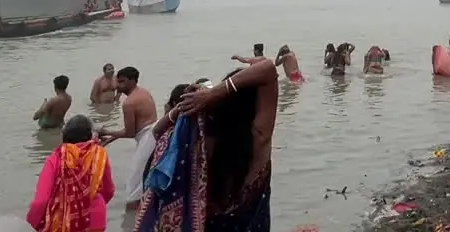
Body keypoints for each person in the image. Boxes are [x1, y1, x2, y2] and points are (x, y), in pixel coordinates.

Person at [136, 59, 280, 230]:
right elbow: (269, 70)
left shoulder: (199, 146)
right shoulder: (259, 140)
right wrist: (215, 93)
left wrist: (182, 107)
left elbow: (158, 132)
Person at [27, 115, 115, 231]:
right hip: (95, 220)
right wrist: (91, 203)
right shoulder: (98, 155)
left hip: (62, 221)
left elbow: (40, 201)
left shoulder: (56, 158)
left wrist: (29, 225)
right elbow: (108, 191)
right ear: (89, 136)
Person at [97, 67, 158, 208]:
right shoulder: (143, 92)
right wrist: (110, 138)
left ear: (132, 81)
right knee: (143, 178)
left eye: (122, 82)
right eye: (118, 81)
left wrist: (106, 131)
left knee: (134, 185)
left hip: (147, 139)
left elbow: (130, 133)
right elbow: (134, 130)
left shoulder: (129, 103)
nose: (118, 85)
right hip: (152, 134)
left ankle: (130, 220)